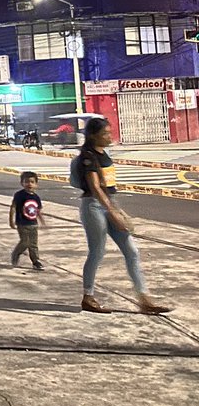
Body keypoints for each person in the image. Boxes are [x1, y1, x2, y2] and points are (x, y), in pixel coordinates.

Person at [70, 118, 173, 315]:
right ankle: (88, 297)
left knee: (132, 251)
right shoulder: (88, 157)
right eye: (105, 134)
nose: (110, 136)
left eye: (109, 132)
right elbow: (96, 188)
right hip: (93, 207)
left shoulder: (104, 153)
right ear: (93, 136)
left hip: (109, 204)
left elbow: (107, 188)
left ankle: (144, 299)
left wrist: (116, 209)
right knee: (97, 252)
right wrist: (112, 213)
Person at [9, 171, 47, 271]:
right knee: (25, 242)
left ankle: (36, 261)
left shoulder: (36, 197)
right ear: (22, 183)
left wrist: (42, 221)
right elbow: (13, 207)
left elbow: (38, 210)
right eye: (26, 182)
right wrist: (11, 220)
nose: (29, 184)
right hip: (22, 223)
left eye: (32, 182)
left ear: (36, 184)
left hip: (33, 223)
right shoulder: (19, 195)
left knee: (33, 244)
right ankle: (16, 253)